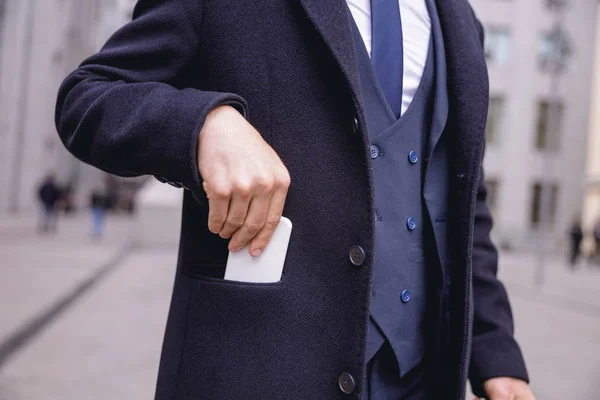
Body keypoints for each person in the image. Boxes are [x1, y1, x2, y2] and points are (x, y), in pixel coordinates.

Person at [54, 1, 534, 399]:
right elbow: (88, 97)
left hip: (422, 379)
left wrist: (496, 351)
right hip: (261, 371)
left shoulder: (460, 19)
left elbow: (463, 203)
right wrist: (203, 124)